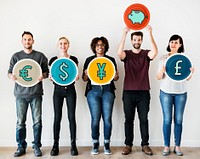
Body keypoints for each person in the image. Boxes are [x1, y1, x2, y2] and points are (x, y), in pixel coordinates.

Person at [117, 25, 158, 155]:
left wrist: (150, 33)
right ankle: (128, 145)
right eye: (134, 40)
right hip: (128, 92)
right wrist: (124, 34)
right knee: (128, 119)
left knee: (143, 119)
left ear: (141, 40)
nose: (136, 42)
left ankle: (145, 145)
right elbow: (119, 53)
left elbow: (155, 52)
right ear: (132, 40)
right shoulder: (127, 54)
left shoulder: (146, 53)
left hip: (144, 92)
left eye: (139, 40)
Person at [8, 31, 49, 157]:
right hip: (20, 94)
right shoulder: (16, 56)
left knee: (37, 122)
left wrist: (43, 76)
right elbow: (9, 72)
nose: (27, 42)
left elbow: (47, 73)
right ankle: (21, 147)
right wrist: (12, 77)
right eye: (25, 39)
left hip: (36, 93)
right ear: (22, 41)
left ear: (33, 41)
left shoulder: (40, 56)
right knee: (20, 122)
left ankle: (36, 146)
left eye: (29, 39)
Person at [157, 35, 194, 156]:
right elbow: (158, 77)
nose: (173, 44)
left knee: (178, 120)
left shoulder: (184, 59)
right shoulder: (163, 58)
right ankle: (166, 146)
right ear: (169, 43)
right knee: (167, 120)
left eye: (176, 42)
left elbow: (187, 78)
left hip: (181, 93)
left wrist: (191, 72)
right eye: (171, 42)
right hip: (165, 92)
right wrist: (161, 71)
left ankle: (177, 146)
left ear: (180, 45)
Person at [82, 36, 119, 155]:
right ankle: (96, 143)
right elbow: (84, 79)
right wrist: (86, 74)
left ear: (105, 47)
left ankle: (107, 144)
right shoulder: (89, 60)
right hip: (93, 91)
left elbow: (116, 78)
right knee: (95, 119)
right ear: (94, 47)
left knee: (107, 119)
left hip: (108, 91)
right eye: (98, 45)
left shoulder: (111, 60)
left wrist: (116, 76)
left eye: (102, 45)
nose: (100, 47)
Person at [49, 37, 79, 156]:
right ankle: (55, 145)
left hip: (70, 90)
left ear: (68, 45)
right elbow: (53, 75)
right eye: (61, 43)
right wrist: (51, 78)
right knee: (57, 118)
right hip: (58, 91)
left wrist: (76, 77)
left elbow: (74, 74)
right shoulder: (53, 60)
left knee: (71, 117)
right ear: (58, 45)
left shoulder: (74, 59)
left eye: (65, 43)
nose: (63, 45)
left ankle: (73, 145)